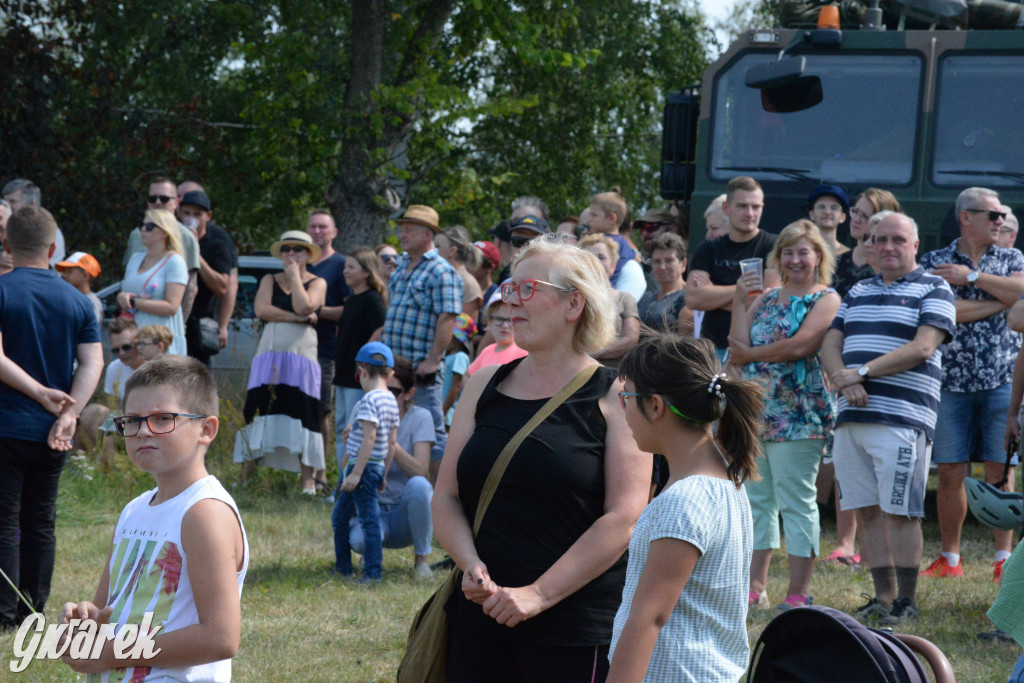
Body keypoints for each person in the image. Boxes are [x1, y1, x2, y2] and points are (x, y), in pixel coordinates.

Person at [432, 235, 650, 682]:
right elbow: (447, 496)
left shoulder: (616, 394)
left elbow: (624, 518)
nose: (509, 302)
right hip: (479, 616)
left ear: (574, 305)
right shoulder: (483, 383)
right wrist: (469, 563)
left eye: (526, 290)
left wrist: (536, 595)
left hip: (571, 626)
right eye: (509, 288)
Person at [60, 355, 248, 680]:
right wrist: (86, 622)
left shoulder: (205, 513)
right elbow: (106, 606)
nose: (143, 431)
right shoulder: (134, 509)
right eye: (132, 420)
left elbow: (220, 638)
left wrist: (111, 653)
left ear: (206, 429)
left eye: (162, 419)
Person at [821, 213, 956, 624]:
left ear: (915, 244)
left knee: (901, 511)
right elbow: (831, 342)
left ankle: (907, 601)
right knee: (867, 510)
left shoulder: (935, 286)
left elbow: (922, 347)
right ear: (870, 247)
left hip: (902, 417)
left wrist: (862, 373)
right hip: (851, 416)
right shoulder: (859, 289)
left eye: (898, 239)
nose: (888, 247)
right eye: (879, 240)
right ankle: (883, 599)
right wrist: (845, 384)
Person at [607, 334, 762, 682]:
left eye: (627, 398)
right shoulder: (726, 483)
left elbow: (649, 617)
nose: (624, 409)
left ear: (656, 406)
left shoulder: (683, 501)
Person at [727, 220, 841, 610]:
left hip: (799, 413)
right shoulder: (764, 297)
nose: (795, 259)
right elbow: (736, 346)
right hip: (758, 412)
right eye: (788, 252)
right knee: (756, 501)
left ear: (818, 258)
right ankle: (754, 586)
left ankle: (798, 592)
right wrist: (739, 303)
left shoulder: (826, 298)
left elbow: (800, 346)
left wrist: (750, 356)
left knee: (796, 501)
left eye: (803, 252)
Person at [0, 205, 103, 631]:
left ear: (6, 244)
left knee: (5, 520)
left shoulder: (3, 289)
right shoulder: (77, 301)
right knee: (40, 519)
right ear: (53, 247)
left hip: (6, 424)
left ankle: (3, 615)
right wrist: (71, 412)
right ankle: (31, 611)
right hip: (53, 431)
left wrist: (40, 393)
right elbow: (92, 362)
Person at [918, 187, 1024, 581]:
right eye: (992, 215)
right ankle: (950, 559)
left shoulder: (1013, 256)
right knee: (949, 471)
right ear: (966, 217)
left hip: (1002, 378)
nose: (1000, 222)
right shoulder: (935, 260)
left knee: (1002, 467)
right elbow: (945, 311)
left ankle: (1003, 559)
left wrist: (972, 278)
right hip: (950, 381)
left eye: (1001, 217)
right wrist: (1000, 299)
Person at [233, 231, 327, 493]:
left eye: (297, 249)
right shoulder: (269, 279)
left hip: (302, 358)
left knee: (304, 411)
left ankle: (307, 481)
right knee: (258, 407)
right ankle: (246, 476)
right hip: (270, 354)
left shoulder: (318, 282)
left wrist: (296, 278)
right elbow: (263, 310)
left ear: (308, 254)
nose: (291, 255)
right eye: (286, 249)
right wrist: (296, 319)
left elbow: (305, 306)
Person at [381, 205, 462, 464]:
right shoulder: (402, 265)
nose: (402, 235)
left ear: (427, 235)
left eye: (409, 230)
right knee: (392, 428)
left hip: (420, 370)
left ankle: (441, 498)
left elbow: (448, 317)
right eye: (402, 230)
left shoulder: (441, 270)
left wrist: (433, 359)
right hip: (393, 368)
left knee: (433, 436)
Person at [347, 356, 435, 578]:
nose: (384, 393)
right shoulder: (362, 409)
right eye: (382, 386)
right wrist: (352, 445)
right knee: (357, 542)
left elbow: (421, 471)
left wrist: (387, 441)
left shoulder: (421, 417)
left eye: (393, 390)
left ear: (408, 394)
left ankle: (421, 560)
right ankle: (369, 556)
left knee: (420, 486)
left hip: (403, 515)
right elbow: (345, 470)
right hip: (373, 510)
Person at [686, 176, 780, 361]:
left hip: (757, 350)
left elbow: (765, 301)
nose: (750, 213)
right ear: (726, 208)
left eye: (756, 207)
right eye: (742, 206)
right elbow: (693, 299)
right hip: (712, 350)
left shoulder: (773, 246)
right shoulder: (707, 249)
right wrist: (742, 291)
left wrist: (712, 294)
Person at [332, 341, 399, 584]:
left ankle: (371, 572)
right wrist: (383, 474)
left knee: (367, 520)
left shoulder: (369, 400)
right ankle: (344, 567)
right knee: (340, 517)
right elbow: (390, 442)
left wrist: (355, 474)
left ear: (361, 371)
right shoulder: (391, 400)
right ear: (390, 373)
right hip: (376, 466)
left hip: (361, 469)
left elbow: (370, 438)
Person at [305, 209, 352, 492]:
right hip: (297, 348)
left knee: (322, 410)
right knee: (300, 409)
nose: (318, 231)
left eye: (323, 227)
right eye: (313, 227)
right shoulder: (301, 264)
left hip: (326, 347)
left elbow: (351, 308)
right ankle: (303, 472)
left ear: (334, 232)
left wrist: (316, 311)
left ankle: (321, 473)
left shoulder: (341, 265)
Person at [333, 247, 388, 472]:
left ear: (366, 272)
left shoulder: (373, 300)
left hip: (359, 375)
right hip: (343, 372)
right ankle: (341, 478)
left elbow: (379, 331)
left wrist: (364, 364)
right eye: (345, 266)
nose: (345, 271)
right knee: (341, 427)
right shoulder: (352, 300)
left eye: (351, 267)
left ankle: (353, 475)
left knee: (353, 429)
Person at [123, 176, 201, 320]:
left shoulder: (187, 237)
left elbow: (191, 287)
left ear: (176, 202)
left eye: (164, 198)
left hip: (165, 324)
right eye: (152, 198)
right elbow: (128, 278)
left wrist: (181, 323)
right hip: (134, 322)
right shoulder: (136, 234)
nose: (158, 203)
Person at [176, 180, 239, 346]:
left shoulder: (217, 245)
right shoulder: (170, 241)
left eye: (197, 214)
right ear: (179, 213)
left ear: (208, 216)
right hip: (172, 322)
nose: (191, 219)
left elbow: (222, 287)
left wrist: (194, 251)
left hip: (200, 327)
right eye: (187, 213)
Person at [118, 209, 188, 356]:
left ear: (164, 232)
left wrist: (135, 302)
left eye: (150, 226)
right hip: (132, 339)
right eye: (141, 225)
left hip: (159, 343)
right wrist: (121, 297)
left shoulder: (175, 261)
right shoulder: (135, 258)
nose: (143, 229)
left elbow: (172, 306)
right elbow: (125, 292)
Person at [76, 318, 144, 455]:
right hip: (125, 419)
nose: (121, 354)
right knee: (91, 412)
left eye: (126, 347)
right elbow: (115, 406)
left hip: (148, 421)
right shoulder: (114, 367)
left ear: (139, 343)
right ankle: (78, 463)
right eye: (116, 350)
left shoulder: (153, 367)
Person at [579, 234, 641, 368]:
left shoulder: (625, 299)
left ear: (613, 266)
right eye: (589, 258)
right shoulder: (572, 298)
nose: (595, 262)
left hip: (614, 376)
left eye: (601, 257)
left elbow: (631, 339)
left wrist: (594, 354)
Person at [831, 188, 901, 298]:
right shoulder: (832, 264)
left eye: (865, 216)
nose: (856, 219)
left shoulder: (893, 270)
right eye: (855, 212)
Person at [588, 191, 646, 302]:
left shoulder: (603, 244)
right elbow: (635, 256)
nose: (589, 219)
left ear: (611, 218)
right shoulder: (623, 243)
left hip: (602, 295)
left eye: (594, 215)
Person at [2, 179, 66, 266]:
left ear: (31, 205)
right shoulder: (5, 226)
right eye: (5, 201)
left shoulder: (48, 230)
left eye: (12, 201)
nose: (6, 206)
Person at [637, 233, 690, 333]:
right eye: (657, 261)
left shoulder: (688, 298)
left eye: (669, 261)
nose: (662, 267)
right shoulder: (646, 297)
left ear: (683, 264)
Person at [466, 290, 528, 377]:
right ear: (489, 323)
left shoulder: (523, 353)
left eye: (510, 320)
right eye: (499, 319)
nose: (505, 325)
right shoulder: (486, 351)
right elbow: (468, 375)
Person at [436, 225, 484, 321]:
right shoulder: (439, 276)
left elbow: (464, 331)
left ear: (452, 251)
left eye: (437, 246)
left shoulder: (468, 284)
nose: (432, 250)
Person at [442, 313, 476, 430]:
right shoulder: (447, 356)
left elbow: (456, 387)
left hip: (448, 415)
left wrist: (443, 411)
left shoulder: (460, 357)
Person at [55, 251, 103, 325]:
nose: (65, 276)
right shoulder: (69, 299)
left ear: (85, 276)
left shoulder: (92, 302)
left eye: (70, 272)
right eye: (65, 272)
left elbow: (89, 331)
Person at [807, 183, 851, 256]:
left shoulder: (849, 257)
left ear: (842, 217)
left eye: (834, 208)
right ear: (811, 215)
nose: (827, 212)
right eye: (821, 207)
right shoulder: (800, 254)